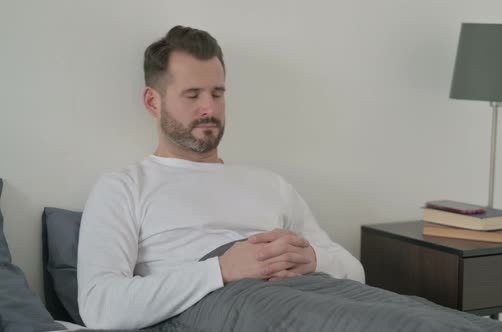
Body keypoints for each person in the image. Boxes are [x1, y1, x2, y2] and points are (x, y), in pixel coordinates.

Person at [77, 25, 365, 330]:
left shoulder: (271, 184)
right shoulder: (124, 188)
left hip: (313, 296)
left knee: (410, 315)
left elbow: (355, 272)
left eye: (217, 93)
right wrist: (221, 269)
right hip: (236, 307)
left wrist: (314, 260)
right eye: (192, 95)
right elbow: (100, 305)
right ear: (152, 101)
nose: (209, 108)